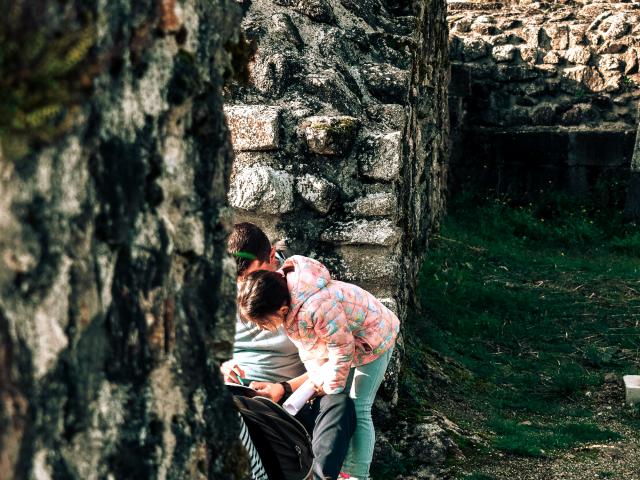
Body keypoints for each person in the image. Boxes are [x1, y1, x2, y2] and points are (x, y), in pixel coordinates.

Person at [237, 255, 400, 480]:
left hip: (374, 339)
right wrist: (315, 379)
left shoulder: (316, 306)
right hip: (347, 341)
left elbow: (342, 349)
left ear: (282, 310)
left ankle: (357, 475)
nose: (261, 328)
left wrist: (330, 386)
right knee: (340, 401)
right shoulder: (290, 310)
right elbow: (311, 350)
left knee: (359, 406)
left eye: (263, 323)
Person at [221, 223, 356, 480]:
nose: (246, 290)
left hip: (294, 397)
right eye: (238, 282)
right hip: (241, 395)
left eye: (253, 277)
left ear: (272, 258)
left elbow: (333, 360)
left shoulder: (307, 296)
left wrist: (284, 388)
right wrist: (221, 366)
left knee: (339, 405)